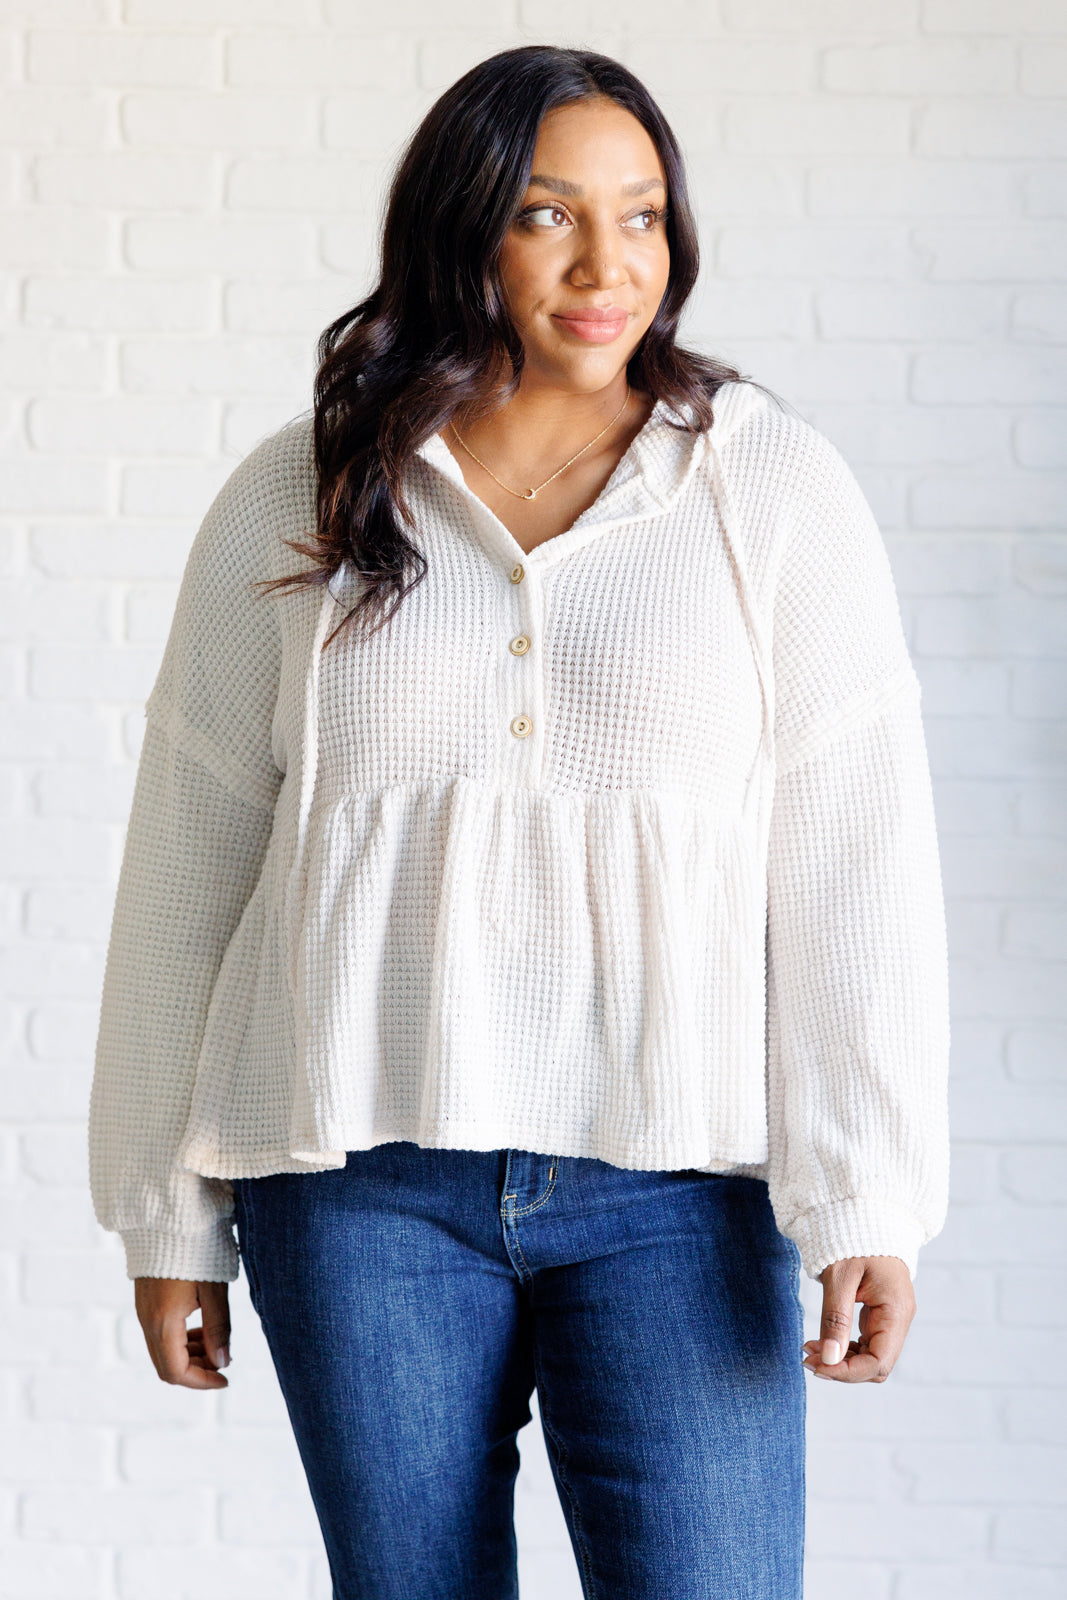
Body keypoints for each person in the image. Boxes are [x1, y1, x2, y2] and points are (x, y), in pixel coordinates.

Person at [88, 43, 951, 1600]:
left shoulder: (770, 492)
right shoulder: (308, 491)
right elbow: (188, 857)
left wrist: (866, 1192)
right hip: (356, 1186)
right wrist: (166, 1209)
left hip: (680, 1187)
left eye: (643, 213)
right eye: (551, 214)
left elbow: (853, 857)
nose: (610, 262)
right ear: (462, 229)